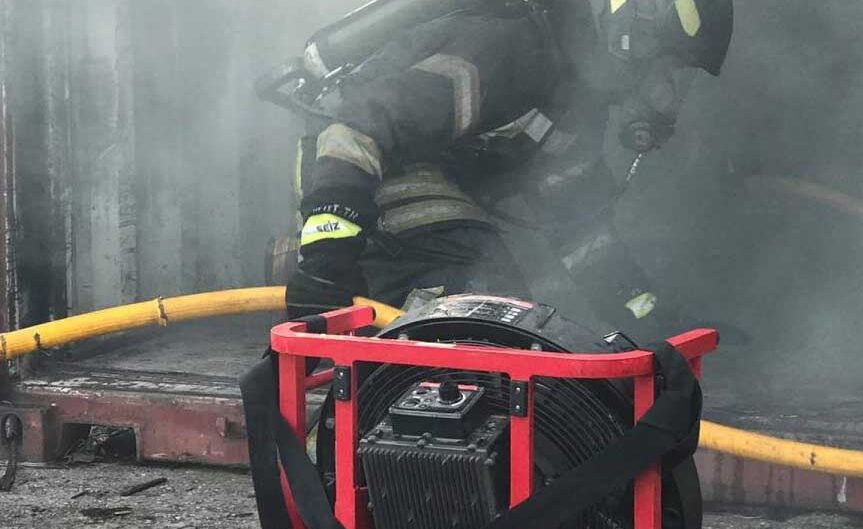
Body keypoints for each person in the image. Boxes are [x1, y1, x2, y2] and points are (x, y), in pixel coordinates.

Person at [284, 0, 734, 336]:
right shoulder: (511, 50)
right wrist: (326, 261)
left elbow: (579, 230)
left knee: (503, 308)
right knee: (487, 299)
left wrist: (652, 319)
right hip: (349, 169)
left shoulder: (578, 104)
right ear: (634, 35)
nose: (668, 98)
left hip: (403, 175)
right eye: (671, 72)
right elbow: (356, 129)